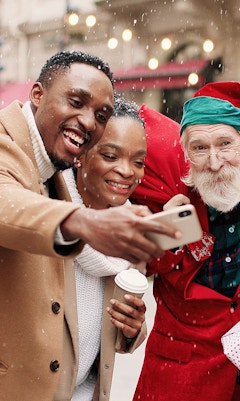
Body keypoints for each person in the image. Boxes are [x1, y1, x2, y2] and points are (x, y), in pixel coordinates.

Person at [0, 50, 178, 400]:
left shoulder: (58, 175)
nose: (87, 121)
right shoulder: (12, 148)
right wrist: (84, 222)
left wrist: (130, 329)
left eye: (100, 114)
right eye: (76, 101)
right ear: (37, 95)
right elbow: (8, 204)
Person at [130, 81, 240, 401]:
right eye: (200, 148)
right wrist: (165, 230)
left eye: (225, 143)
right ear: (186, 153)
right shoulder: (164, 189)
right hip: (183, 374)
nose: (214, 161)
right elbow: (141, 262)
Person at [61, 93, 148, 400]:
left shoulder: (129, 234)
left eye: (138, 162)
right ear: (80, 154)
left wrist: (131, 329)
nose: (127, 171)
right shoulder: (47, 218)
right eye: (111, 156)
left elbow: (114, 340)